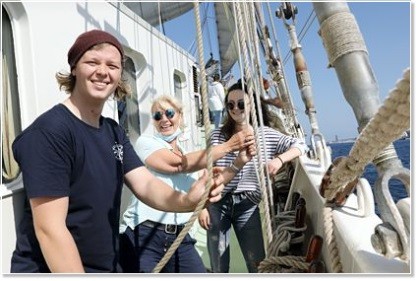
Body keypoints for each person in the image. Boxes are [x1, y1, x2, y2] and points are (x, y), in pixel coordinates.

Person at [9, 29, 224, 273]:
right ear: (74, 68)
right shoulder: (50, 132)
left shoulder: (114, 131)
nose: (103, 71)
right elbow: (50, 231)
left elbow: (145, 185)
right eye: (92, 62)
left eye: (112, 65)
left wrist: (187, 201)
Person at [119, 95, 255, 273]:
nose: (164, 120)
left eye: (169, 113)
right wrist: (229, 146)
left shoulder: (190, 157)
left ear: (180, 116)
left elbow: (207, 188)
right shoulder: (146, 143)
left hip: (179, 239)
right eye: (157, 116)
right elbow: (177, 164)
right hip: (144, 233)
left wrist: (238, 162)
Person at [198, 81, 308, 273]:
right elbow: (206, 172)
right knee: (219, 266)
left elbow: (301, 145)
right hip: (217, 204)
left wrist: (279, 160)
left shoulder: (266, 134)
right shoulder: (217, 136)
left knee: (256, 263)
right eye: (230, 105)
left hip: (247, 205)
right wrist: (202, 207)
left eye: (241, 103)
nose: (235, 108)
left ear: (251, 106)